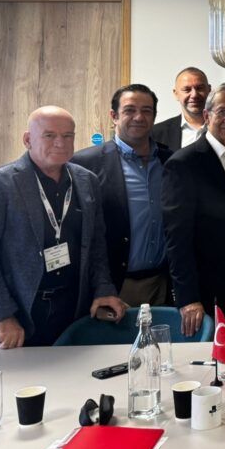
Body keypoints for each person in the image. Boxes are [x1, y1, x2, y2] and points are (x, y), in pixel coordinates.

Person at [0, 106, 124, 347]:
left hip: (73, 312)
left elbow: (96, 246)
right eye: (50, 135)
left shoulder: (87, 181)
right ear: (28, 140)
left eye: (68, 135)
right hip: (19, 315)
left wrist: (104, 289)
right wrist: (2, 316)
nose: (60, 143)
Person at [162, 83, 225, 338]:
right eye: (222, 112)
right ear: (207, 116)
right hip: (206, 289)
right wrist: (188, 297)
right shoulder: (184, 163)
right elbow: (177, 239)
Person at [71, 84, 172, 307]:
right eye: (129, 110)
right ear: (114, 116)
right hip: (112, 288)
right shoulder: (85, 164)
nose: (139, 117)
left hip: (163, 285)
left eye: (146, 111)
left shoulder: (171, 162)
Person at [151, 67, 211, 151]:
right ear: (176, 94)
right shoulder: (156, 133)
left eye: (199, 88)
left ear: (209, 90)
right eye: (187, 90)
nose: (194, 95)